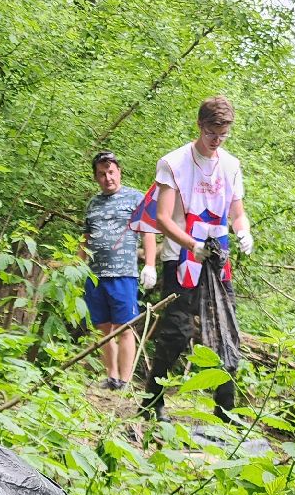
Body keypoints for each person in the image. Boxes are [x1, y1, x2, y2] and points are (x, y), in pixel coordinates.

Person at [136, 96, 253, 421]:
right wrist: (192, 246)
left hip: (217, 256)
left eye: (223, 134)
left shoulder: (230, 165)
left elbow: (237, 212)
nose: (216, 140)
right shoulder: (174, 162)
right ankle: (152, 401)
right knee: (176, 330)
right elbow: (162, 218)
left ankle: (224, 407)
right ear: (201, 126)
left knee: (226, 327)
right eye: (212, 132)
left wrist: (243, 231)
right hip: (182, 255)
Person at [80, 151, 158, 390]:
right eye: (102, 174)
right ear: (96, 177)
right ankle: (111, 376)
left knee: (124, 327)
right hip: (95, 275)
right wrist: (78, 267)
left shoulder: (135, 198)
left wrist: (150, 265)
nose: (108, 178)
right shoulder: (93, 203)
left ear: (119, 172)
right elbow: (85, 238)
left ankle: (125, 380)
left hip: (123, 274)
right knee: (103, 327)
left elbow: (148, 232)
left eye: (111, 172)